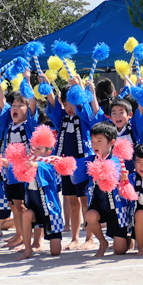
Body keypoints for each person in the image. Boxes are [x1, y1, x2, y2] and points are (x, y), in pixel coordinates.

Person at [45, 76, 104, 251]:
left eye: (73, 103)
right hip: (65, 165)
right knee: (72, 203)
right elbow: (52, 102)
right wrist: (46, 83)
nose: (70, 108)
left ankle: (90, 237)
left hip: (83, 164)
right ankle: (75, 238)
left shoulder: (84, 117)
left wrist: (79, 87)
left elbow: (90, 111)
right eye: (67, 103)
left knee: (85, 202)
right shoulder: (61, 117)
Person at [0, 73, 38, 250]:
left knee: (23, 205)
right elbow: (3, 105)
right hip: (10, 171)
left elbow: (32, 103)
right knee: (13, 204)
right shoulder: (10, 124)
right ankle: (18, 235)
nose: (15, 108)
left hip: (25, 171)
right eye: (13, 106)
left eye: (19, 106)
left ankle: (27, 238)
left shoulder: (30, 124)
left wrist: (28, 81)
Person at [15, 125, 64, 261]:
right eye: (34, 147)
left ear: (48, 152)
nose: (35, 151)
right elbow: (12, 163)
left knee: (55, 252)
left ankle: (46, 241)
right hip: (35, 209)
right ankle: (28, 249)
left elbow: (41, 166)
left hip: (51, 210)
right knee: (26, 215)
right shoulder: (28, 162)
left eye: (39, 148)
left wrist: (34, 164)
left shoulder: (49, 165)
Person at [82, 122, 131, 257]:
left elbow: (111, 171)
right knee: (90, 215)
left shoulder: (116, 161)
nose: (95, 144)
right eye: (92, 141)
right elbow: (77, 164)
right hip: (99, 205)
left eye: (99, 141)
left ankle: (128, 237)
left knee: (119, 250)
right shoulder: (90, 160)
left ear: (111, 142)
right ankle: (103, 242)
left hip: (116, 208)